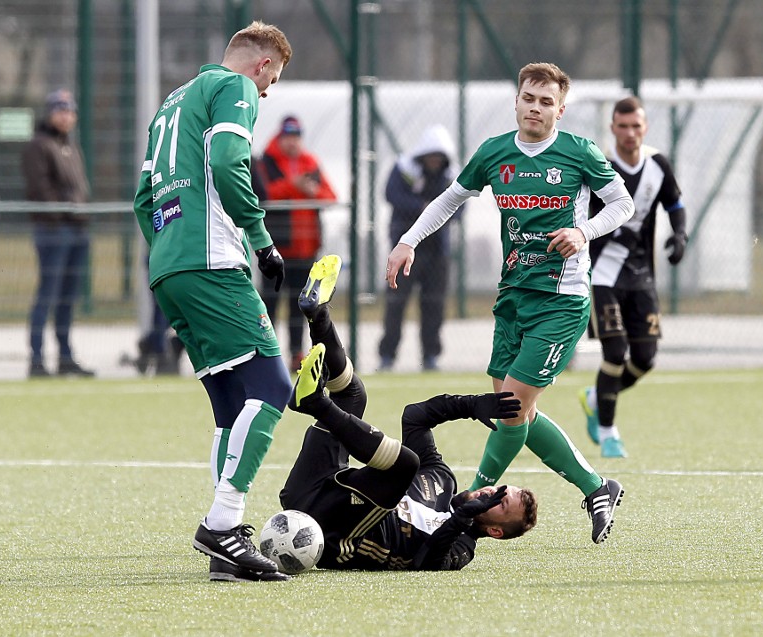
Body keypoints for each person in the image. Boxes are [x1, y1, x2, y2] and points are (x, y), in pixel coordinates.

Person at [386, 62, 635, 543]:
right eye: (529, 98)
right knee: (518, 411)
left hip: (560, 300)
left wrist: (584, 230)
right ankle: (596, 486)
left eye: (546, 101)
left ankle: (464, 504)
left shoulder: (578, 152)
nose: (535, 107)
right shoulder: (495, 153)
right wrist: (407, 241)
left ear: (560, 110)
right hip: (513, 297)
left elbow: (622, 203)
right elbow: (449, 199)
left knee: (509, 411)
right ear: (517, 101)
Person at [238, 255, 535, 577]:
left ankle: (314, 401)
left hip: (330, 535)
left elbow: (431, 562)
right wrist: (470, 405)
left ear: (496, 531)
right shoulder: (441, 480)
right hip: (311, 490)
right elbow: (416, 417)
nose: (492, 494)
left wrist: (461, 519)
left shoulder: (462, 546)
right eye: (500, 490)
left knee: (405, 463)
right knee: (353, 394)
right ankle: (318, 316)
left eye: (501, 504)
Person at [133, 21, 296, 582]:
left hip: (169, 267)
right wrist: (261, 239)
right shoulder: (236, 87)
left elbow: (142, 199)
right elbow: (229, 161)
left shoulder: (170, 103)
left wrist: (169, 251)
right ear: (262, 65)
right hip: (211, 261)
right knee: (275, 386)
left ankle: (227, 540)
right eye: (272, 79)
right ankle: (222, 524)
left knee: (232, 404)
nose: (267, 93)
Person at [578, 96, 688, 458]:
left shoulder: (658, 165)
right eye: (622, 126)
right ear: (612, 129)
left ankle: (596, 396)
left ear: (645, 128)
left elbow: (674, 203)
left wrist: (679, 234)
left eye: (635, 126)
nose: (629, 133)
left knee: (645, 358)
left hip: (641, 276)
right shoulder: (601, 166)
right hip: (603, 274)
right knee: (615, 351)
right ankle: (609, 433)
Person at [251, 115, 337, 371]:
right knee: (269, 302)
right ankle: (267, 352)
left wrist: (312, 192)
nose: (292, 142)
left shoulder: (310, 162)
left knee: (301, 305)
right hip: (275, 248)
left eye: (296, 137)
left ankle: (296, 353)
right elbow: (262, 194)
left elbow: (330, 196)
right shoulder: (265, 162)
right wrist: (292, 186)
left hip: (305, 248)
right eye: (288, 137)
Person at [378, 125, 464, 372]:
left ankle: (430, 356)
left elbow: (459, 207)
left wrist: (431, 211)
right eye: (431, 156)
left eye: (439, 157)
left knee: (434, 305)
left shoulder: (452, 177)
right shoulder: (404, 170)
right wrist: (426, 209)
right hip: (404, 248)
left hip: (438, 251)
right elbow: (392, 195)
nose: (435, 161)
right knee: (396, 303)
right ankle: (387, 355)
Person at [23, 89, 94, 378]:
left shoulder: (70, 147)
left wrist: (80, 213)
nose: (66, 116)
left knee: (67, 297)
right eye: (60, 110)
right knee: (48, 294)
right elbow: (41, 188)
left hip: (77, 229)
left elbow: (79, 188)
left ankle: (65, 356)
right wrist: (65, 213)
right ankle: (37, 357)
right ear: (50, 113)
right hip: (53, 230)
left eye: (70, 110)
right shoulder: (39, 146)